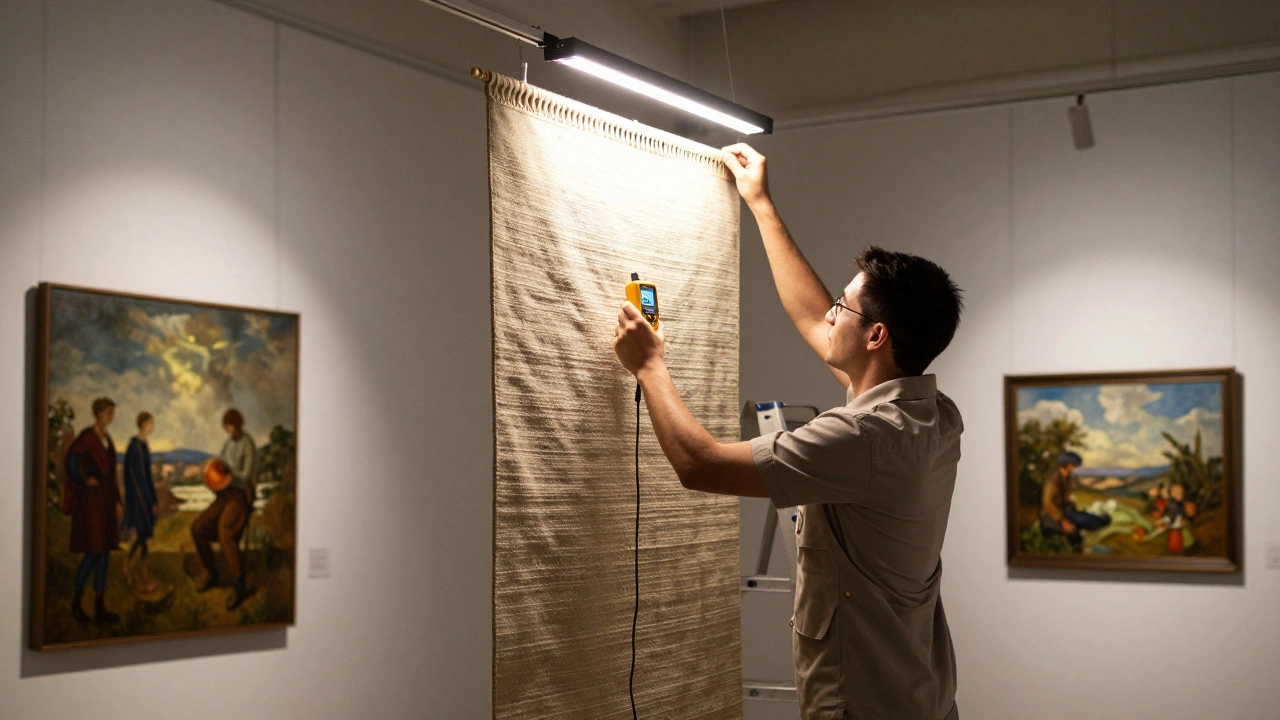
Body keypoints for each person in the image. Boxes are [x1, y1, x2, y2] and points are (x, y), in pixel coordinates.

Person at [613, 143, 965, 720]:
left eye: (844, 308)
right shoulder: (932, 414)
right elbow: (811, 315)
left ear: (876, 336)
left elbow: (698, 464)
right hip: (919, 696)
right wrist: (761, 205)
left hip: (866, 705)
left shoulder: (860, 439)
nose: (831, 313)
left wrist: (650, 366)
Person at [64, 397, 122, 625]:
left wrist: (117, 502)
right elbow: (71, 463)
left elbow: (111, 475)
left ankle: (99, 607)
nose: (111, 417)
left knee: (105, 551)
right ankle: (76, 603)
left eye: (112, 413)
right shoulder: (87, 437)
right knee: (93, 552)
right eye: (108, 413)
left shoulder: (107, 439)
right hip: (91, 504)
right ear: (98, 414)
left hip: (106, 502)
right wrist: (84, 479)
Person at [191, 408, 256, 611]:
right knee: (197, 527)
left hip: (240, 494)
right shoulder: (228, 443)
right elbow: (221, 465)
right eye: (226, 427)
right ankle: (211, 572)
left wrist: (228, 475)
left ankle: (239, 584)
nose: (229, 430)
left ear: (238, 424)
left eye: (231, 426)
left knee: (225, 530)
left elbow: (246, 476)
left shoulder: (248, 444)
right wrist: (210, 468)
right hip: (225, 493)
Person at [1039, 451, 1111, 551]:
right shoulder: (1052, 482)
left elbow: (1063, 497)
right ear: (1065, 465)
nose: (1075, 467)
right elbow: (1048, 505)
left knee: (1087, 519)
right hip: (1052, 517)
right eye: (1073, 465)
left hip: (1066, 511)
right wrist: (1063, 521)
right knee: (1073, 531)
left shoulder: (1066, 477)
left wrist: (1069, 501)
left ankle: (1101, 520)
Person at [122, 411, 159, 593]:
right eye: (150, 423)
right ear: (143, 424)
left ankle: (133, 570)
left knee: (144, 538)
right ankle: (135, 573)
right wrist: (144, 499)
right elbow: (134, 478)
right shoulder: (134, 446)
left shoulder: (144, 444)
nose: (152, 426)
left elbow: (148, 476)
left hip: (145, 496)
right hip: (137, 498)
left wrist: (153, 498)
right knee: (142, 536)